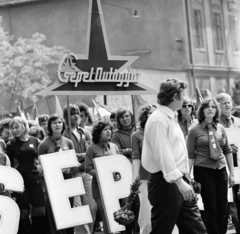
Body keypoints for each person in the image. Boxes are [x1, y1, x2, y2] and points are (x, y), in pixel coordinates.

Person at [142, 78, 207, 234]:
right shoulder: (158, 119)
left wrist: (183, 179)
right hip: (166, 184)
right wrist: (179, 182)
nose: (185, 98)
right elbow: (162, 154)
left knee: (197, 230)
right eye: (183, 94)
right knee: (162, 230)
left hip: (177, 181)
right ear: (173, 97)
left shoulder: (170, 118)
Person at [187, 97, 235, 234]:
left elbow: (227, 151)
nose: (210, 109)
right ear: (202, 110)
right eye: (207, 106)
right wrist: (187, 177)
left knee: (223, 207)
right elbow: (190, 155)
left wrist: (231, 173)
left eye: (213, 107)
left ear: (216, 110)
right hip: (203, 170)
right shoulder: (194, 130)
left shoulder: (220, 128)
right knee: (211, 208)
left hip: (220, 169)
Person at [6, 116, 46, 234]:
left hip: (35, 179)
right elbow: (9, 165)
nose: (14, 130)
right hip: (19, 181)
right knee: (23, 211)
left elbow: (40, 158)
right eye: (12, 128)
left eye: (16, 127)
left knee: (39, 208)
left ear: (24, 126)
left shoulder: (35, 140)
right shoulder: (11, 144)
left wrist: (41, 166)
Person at [63, 104, 97, 234]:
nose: (76, 116)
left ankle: (90, 232)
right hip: (72, 175)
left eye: (77, 113)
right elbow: (68, 156)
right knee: (77, 208)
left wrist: (80, 155)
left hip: (86, 172)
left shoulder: (85, 132)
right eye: (72, 113)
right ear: (66, 117)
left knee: (92, 206)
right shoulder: (63, 133)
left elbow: (91, 152)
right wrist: (83, 155)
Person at [38, 114, 75, 234]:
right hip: (53, 181)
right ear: (50, 126)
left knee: (69, 209)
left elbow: (73, 162)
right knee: (55, 210)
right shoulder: (43, 145)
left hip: (68, 180)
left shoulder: (68, 142)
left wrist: (69, 167)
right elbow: (41, 166)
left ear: (63, 125)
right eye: (54, 123)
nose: (57, 125)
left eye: (59, 122)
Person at [85, 120, 119, 234]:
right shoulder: (91, 148)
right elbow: (88, 168)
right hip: (99, 188)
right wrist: (102, 175)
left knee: (114, 214)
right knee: (106, 214)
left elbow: (119, 165)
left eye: (110, 129)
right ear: (98, 133)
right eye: (105, 129)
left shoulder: (114, 147)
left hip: (114, 186)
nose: (108, 131)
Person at [216, 93, 240, 234]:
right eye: (224, 102)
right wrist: (226, 147)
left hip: (238, 170)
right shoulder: (214, 124)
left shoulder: (238, 122)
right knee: (226, 209)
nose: (228, 105)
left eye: (229, 102)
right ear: (218, 105)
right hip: (222, 170)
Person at [131, 104, 155, 234]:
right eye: (150, 113)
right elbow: (136, 158)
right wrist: (135, 179)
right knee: (146, 216)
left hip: (163, 179)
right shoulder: (137, 135)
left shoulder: (162, 131)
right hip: (145, 180)